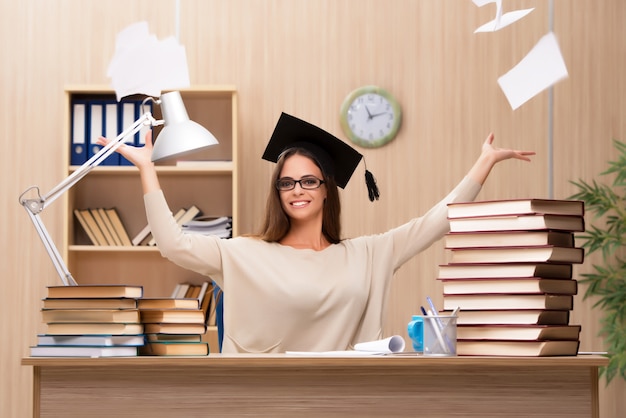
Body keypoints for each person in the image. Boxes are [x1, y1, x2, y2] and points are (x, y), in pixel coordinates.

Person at [98, 112, 534, 354]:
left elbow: (435, 222)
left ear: (328, 189)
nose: (297, 191)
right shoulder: (242, 253)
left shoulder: (369, 254)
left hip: (339, 398)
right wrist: (147, 170)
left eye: (309, 180)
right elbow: (172, 244)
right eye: (287, 183)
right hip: (256, 403)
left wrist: (484, 164)